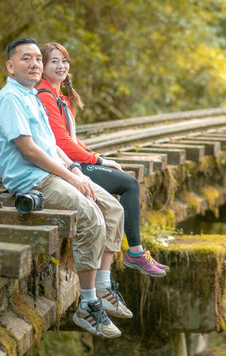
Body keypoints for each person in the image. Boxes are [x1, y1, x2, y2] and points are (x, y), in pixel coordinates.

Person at [0, 37, 132, 339]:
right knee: (92, 216)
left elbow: (52, 144)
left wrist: (74, 167)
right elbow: (29, 150)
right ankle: (87, 305)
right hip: (33, 179)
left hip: (54, 171)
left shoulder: (31, 95)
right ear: (10, 65)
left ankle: (104, 286)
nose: (34, 64)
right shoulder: (10, 98)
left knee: (113, 208)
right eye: (26, 59)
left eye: (37, 60)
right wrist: (70, 177)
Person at [36, 42, 169, 277]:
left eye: (64, 61)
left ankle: (133, 252)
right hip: (64, 166)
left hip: (72, 160)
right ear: (43, 66)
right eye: (54, 61)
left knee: (125, 181)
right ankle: (135, 252)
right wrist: (97, 162)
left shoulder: (61, 98)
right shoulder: (45, 96)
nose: (61, 66)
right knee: (129, 184)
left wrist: (98, 157)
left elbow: (73, 141)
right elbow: (63, 144)